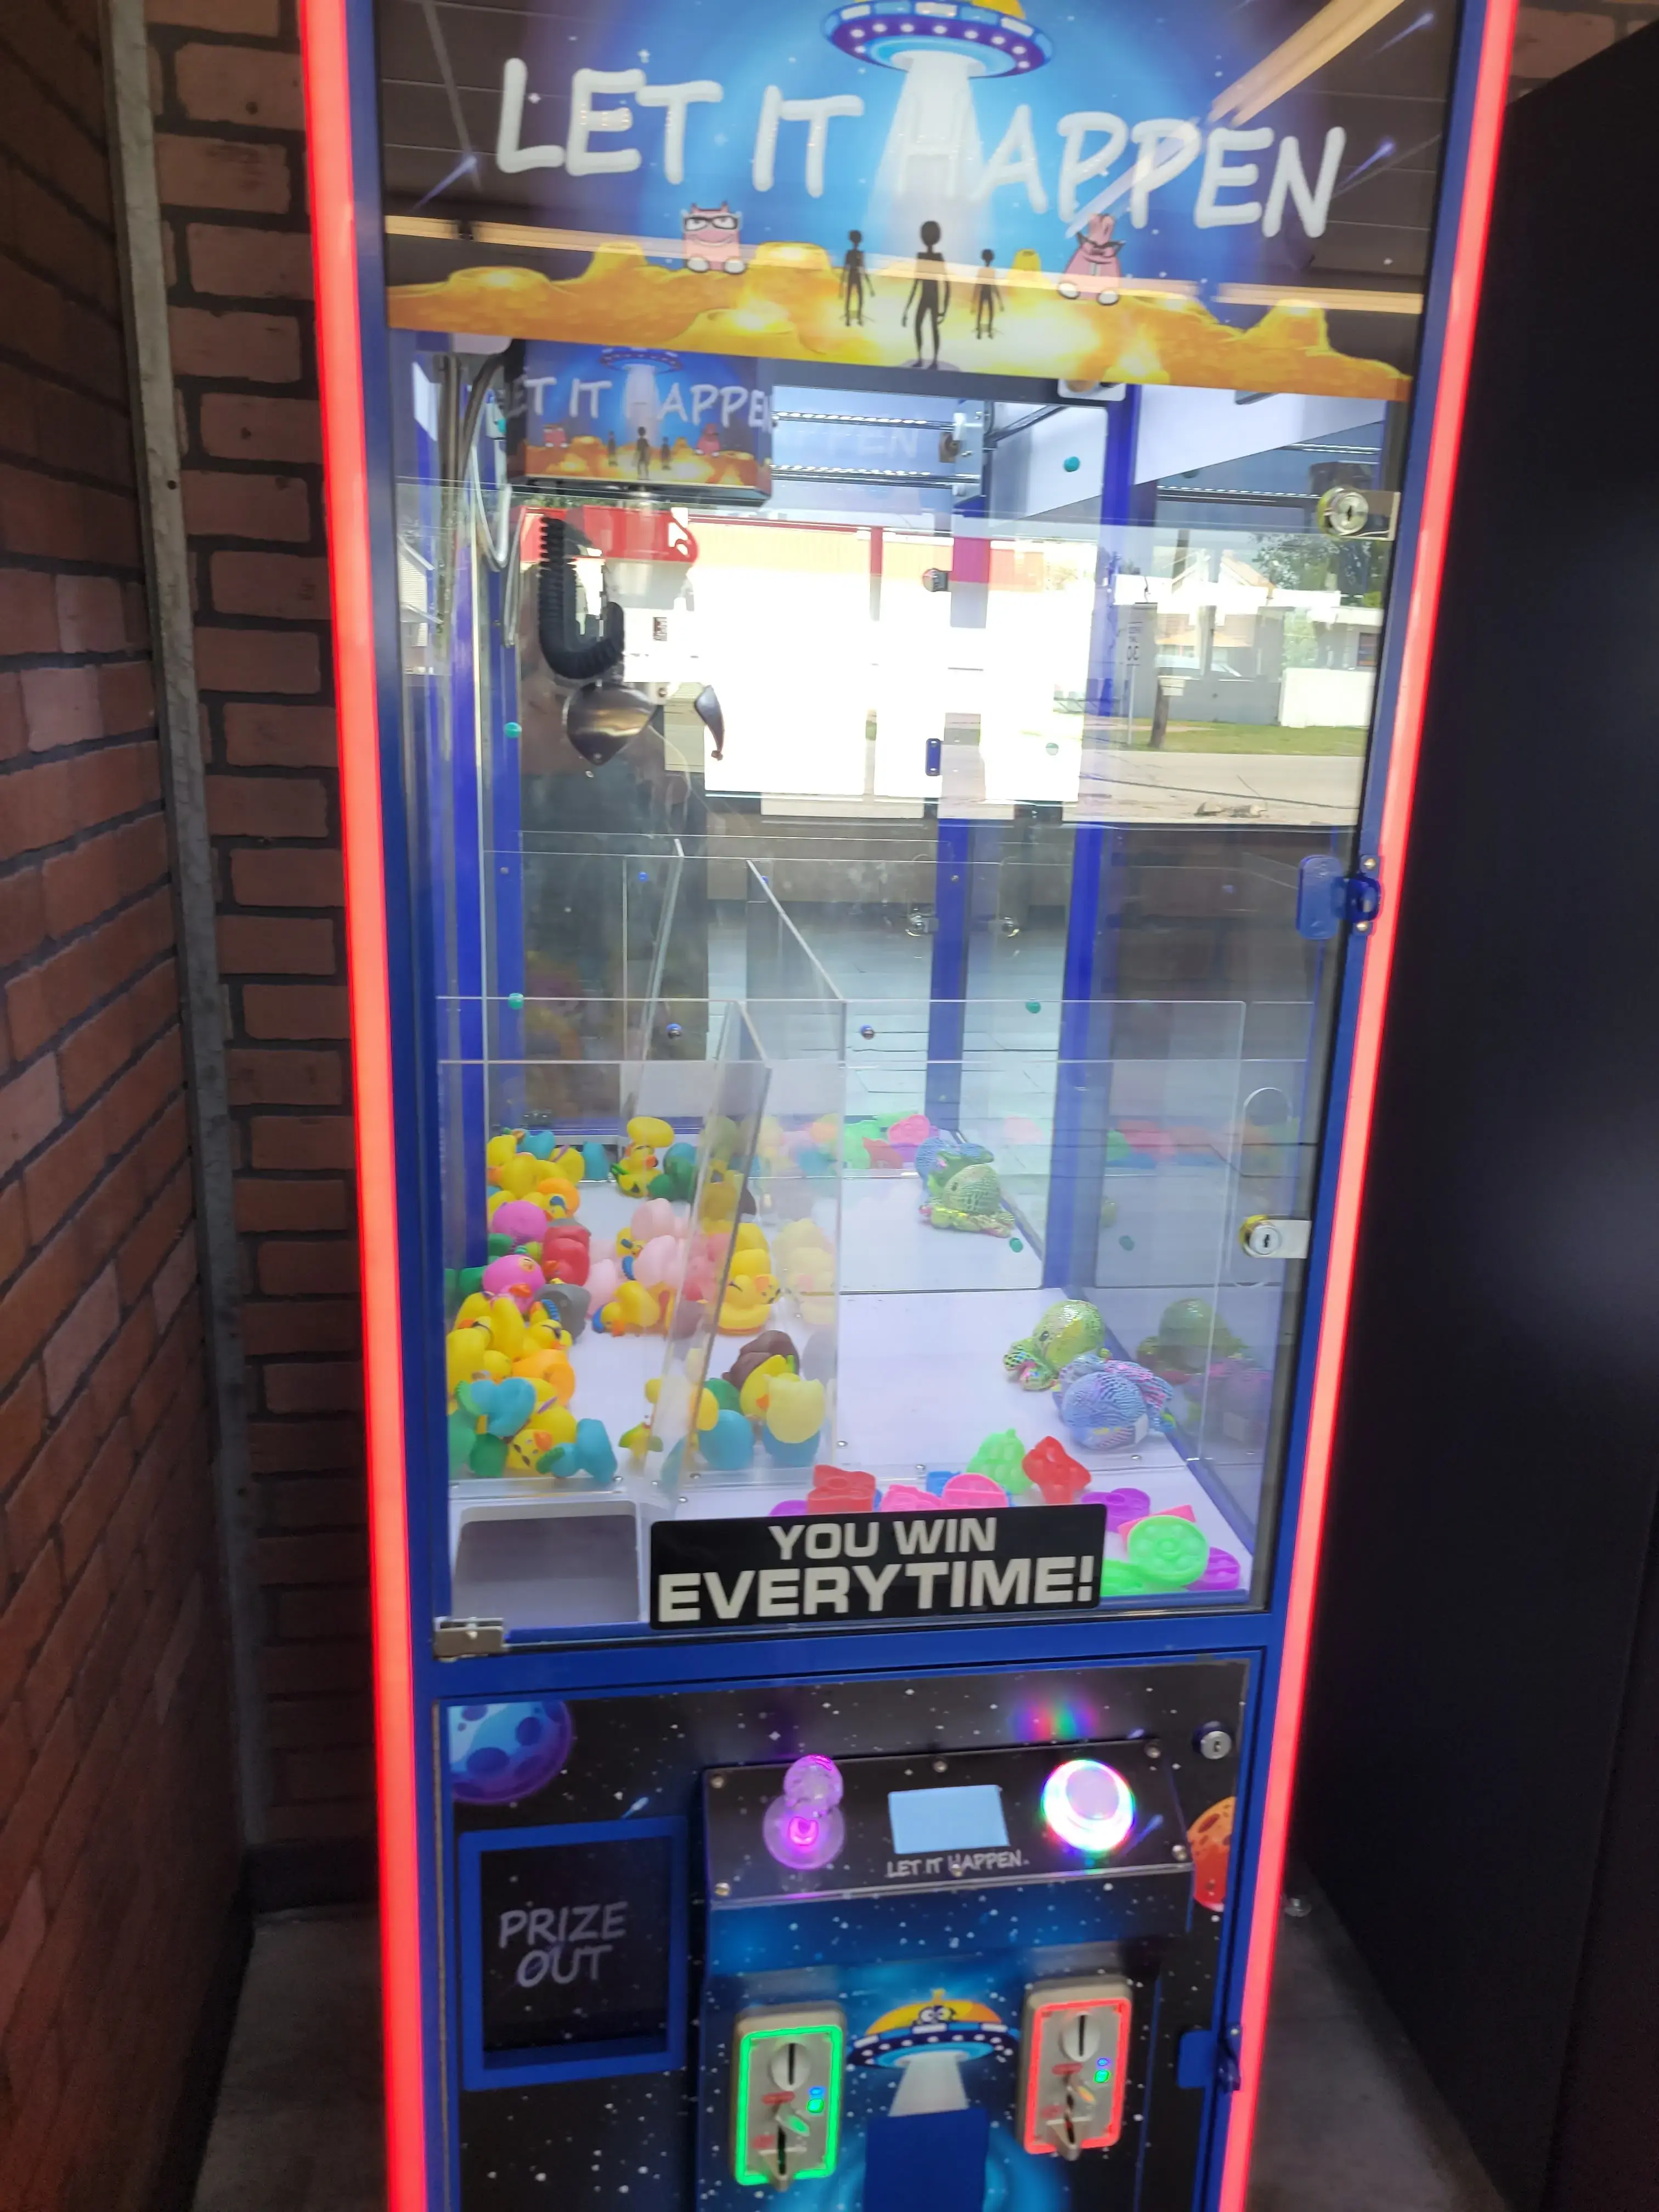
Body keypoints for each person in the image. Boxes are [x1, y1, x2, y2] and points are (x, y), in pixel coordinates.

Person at [905, 220, 950, 368]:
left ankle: (934, 360)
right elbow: (917, 282)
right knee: (918, 326)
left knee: (933, 328)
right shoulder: (922, 256)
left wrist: (945, 308)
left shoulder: (938, 257)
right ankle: (921, 358)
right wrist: (907, 308)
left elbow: (946, 282)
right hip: (925, 298)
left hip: (933, 298)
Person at [839, 228, 867, 325]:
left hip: (855, 275)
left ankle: (857, 318)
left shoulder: (856, 253)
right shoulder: (852, 253)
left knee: (857, 297)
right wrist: (842, 283)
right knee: (852, 297)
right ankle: (851, 318)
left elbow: (863, 268)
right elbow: (846, 268)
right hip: (854, 275)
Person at [973, 248, 1002, 338]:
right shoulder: (990, 271)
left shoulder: (984, 271)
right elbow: (992, 285)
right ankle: (988, 331)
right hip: (987, 292)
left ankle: (981, 332)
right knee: (988, 312)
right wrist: (1000, 300)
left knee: (982, 312)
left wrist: (974, 297)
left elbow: (978, 285)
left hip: (985, 292)